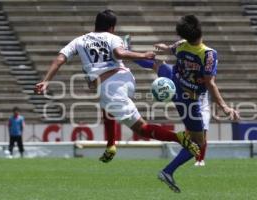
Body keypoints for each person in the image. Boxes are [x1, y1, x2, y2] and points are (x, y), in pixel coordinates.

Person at [34, 10, 200, 161]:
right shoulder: (113, 38)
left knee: (141, 128)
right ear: (112, 27)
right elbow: (119, 53)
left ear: (96, 25)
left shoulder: (78, 41)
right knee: (107, 106)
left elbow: (60, 59)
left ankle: (180, 138)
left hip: (111, 87)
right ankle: (111, 145)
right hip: (125, 78)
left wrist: (46, 80)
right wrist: (142, 54)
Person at [129, 14, 240, 192]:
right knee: (197, 143)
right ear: (200, 29)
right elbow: (210, 83)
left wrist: (165, 47)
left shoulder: (181, 46)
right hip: (189, 100)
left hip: (174, 84)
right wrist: (225, 107)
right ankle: (168, 171)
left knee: (156, 64)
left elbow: (171, 48)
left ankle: (127, 53)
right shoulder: (209, 54)